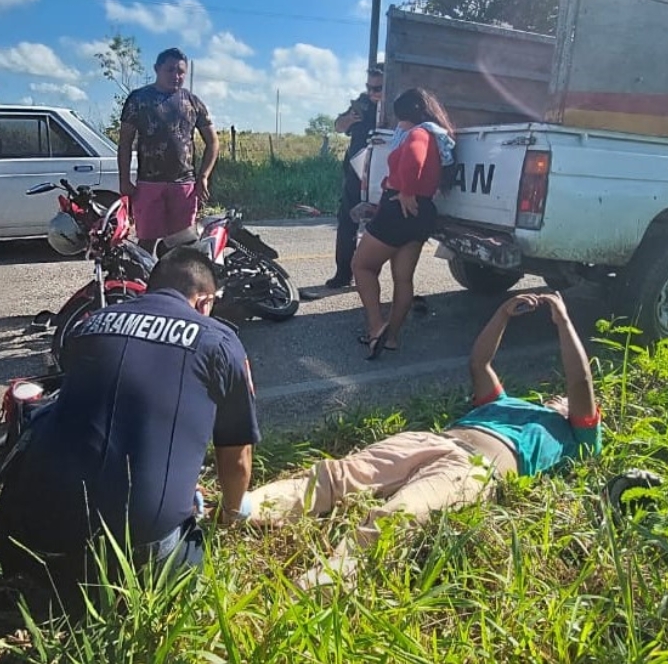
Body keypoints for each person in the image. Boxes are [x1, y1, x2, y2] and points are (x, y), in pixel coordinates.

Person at [246, 292, 600, 587]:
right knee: (338, 475)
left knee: (400, 514)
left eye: (567, 400)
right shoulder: (506, 402)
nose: (561, 397)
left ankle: (327, 579)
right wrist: (502, 314)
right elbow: (480, 363)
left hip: (474, 469)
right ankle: (244, 507)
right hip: (431, 441)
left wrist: (563, 322)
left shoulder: (575, 435)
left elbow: (580, 381)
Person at [0, 247, 260, 606]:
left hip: (28, 541)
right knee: (190, 549)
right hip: (135, 558)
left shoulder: (91, 325)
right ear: (204, 301)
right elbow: (237, 458)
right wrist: (229, 515)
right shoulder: (218, 341)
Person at [353, 87, 456, 359]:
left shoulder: (419, 133)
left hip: (399, 207)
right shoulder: (436, 135)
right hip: (422, 212)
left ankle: (377, 326)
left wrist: (407, 189)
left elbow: (413, 158)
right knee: (403, 278)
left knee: (362, 266)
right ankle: (392, 338)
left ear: (407, 114)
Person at [118, 47, 219, 254]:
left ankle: (178, 285)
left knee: (183, 245)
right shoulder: (138, 99)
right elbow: (125, 142)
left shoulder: (193, 102)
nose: (176, 76)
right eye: (170, 70)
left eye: (181, 72)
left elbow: (213, 142)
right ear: (157, 69)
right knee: (146, 244)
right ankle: (143, 285)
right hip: (149, 185)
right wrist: (124, 180)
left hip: (184, 185)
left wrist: (204, 177)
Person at [322, 64, 384, 290]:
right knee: (347, 222)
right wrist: (350, 118)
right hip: (356, 173)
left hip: (386, 175)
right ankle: (343, 274)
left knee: (381, 228)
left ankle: (368, 274)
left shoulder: (399, 106)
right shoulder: (362, 103)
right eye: (369, 87)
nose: (371, 93)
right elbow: (338, 126)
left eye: (377, 88)